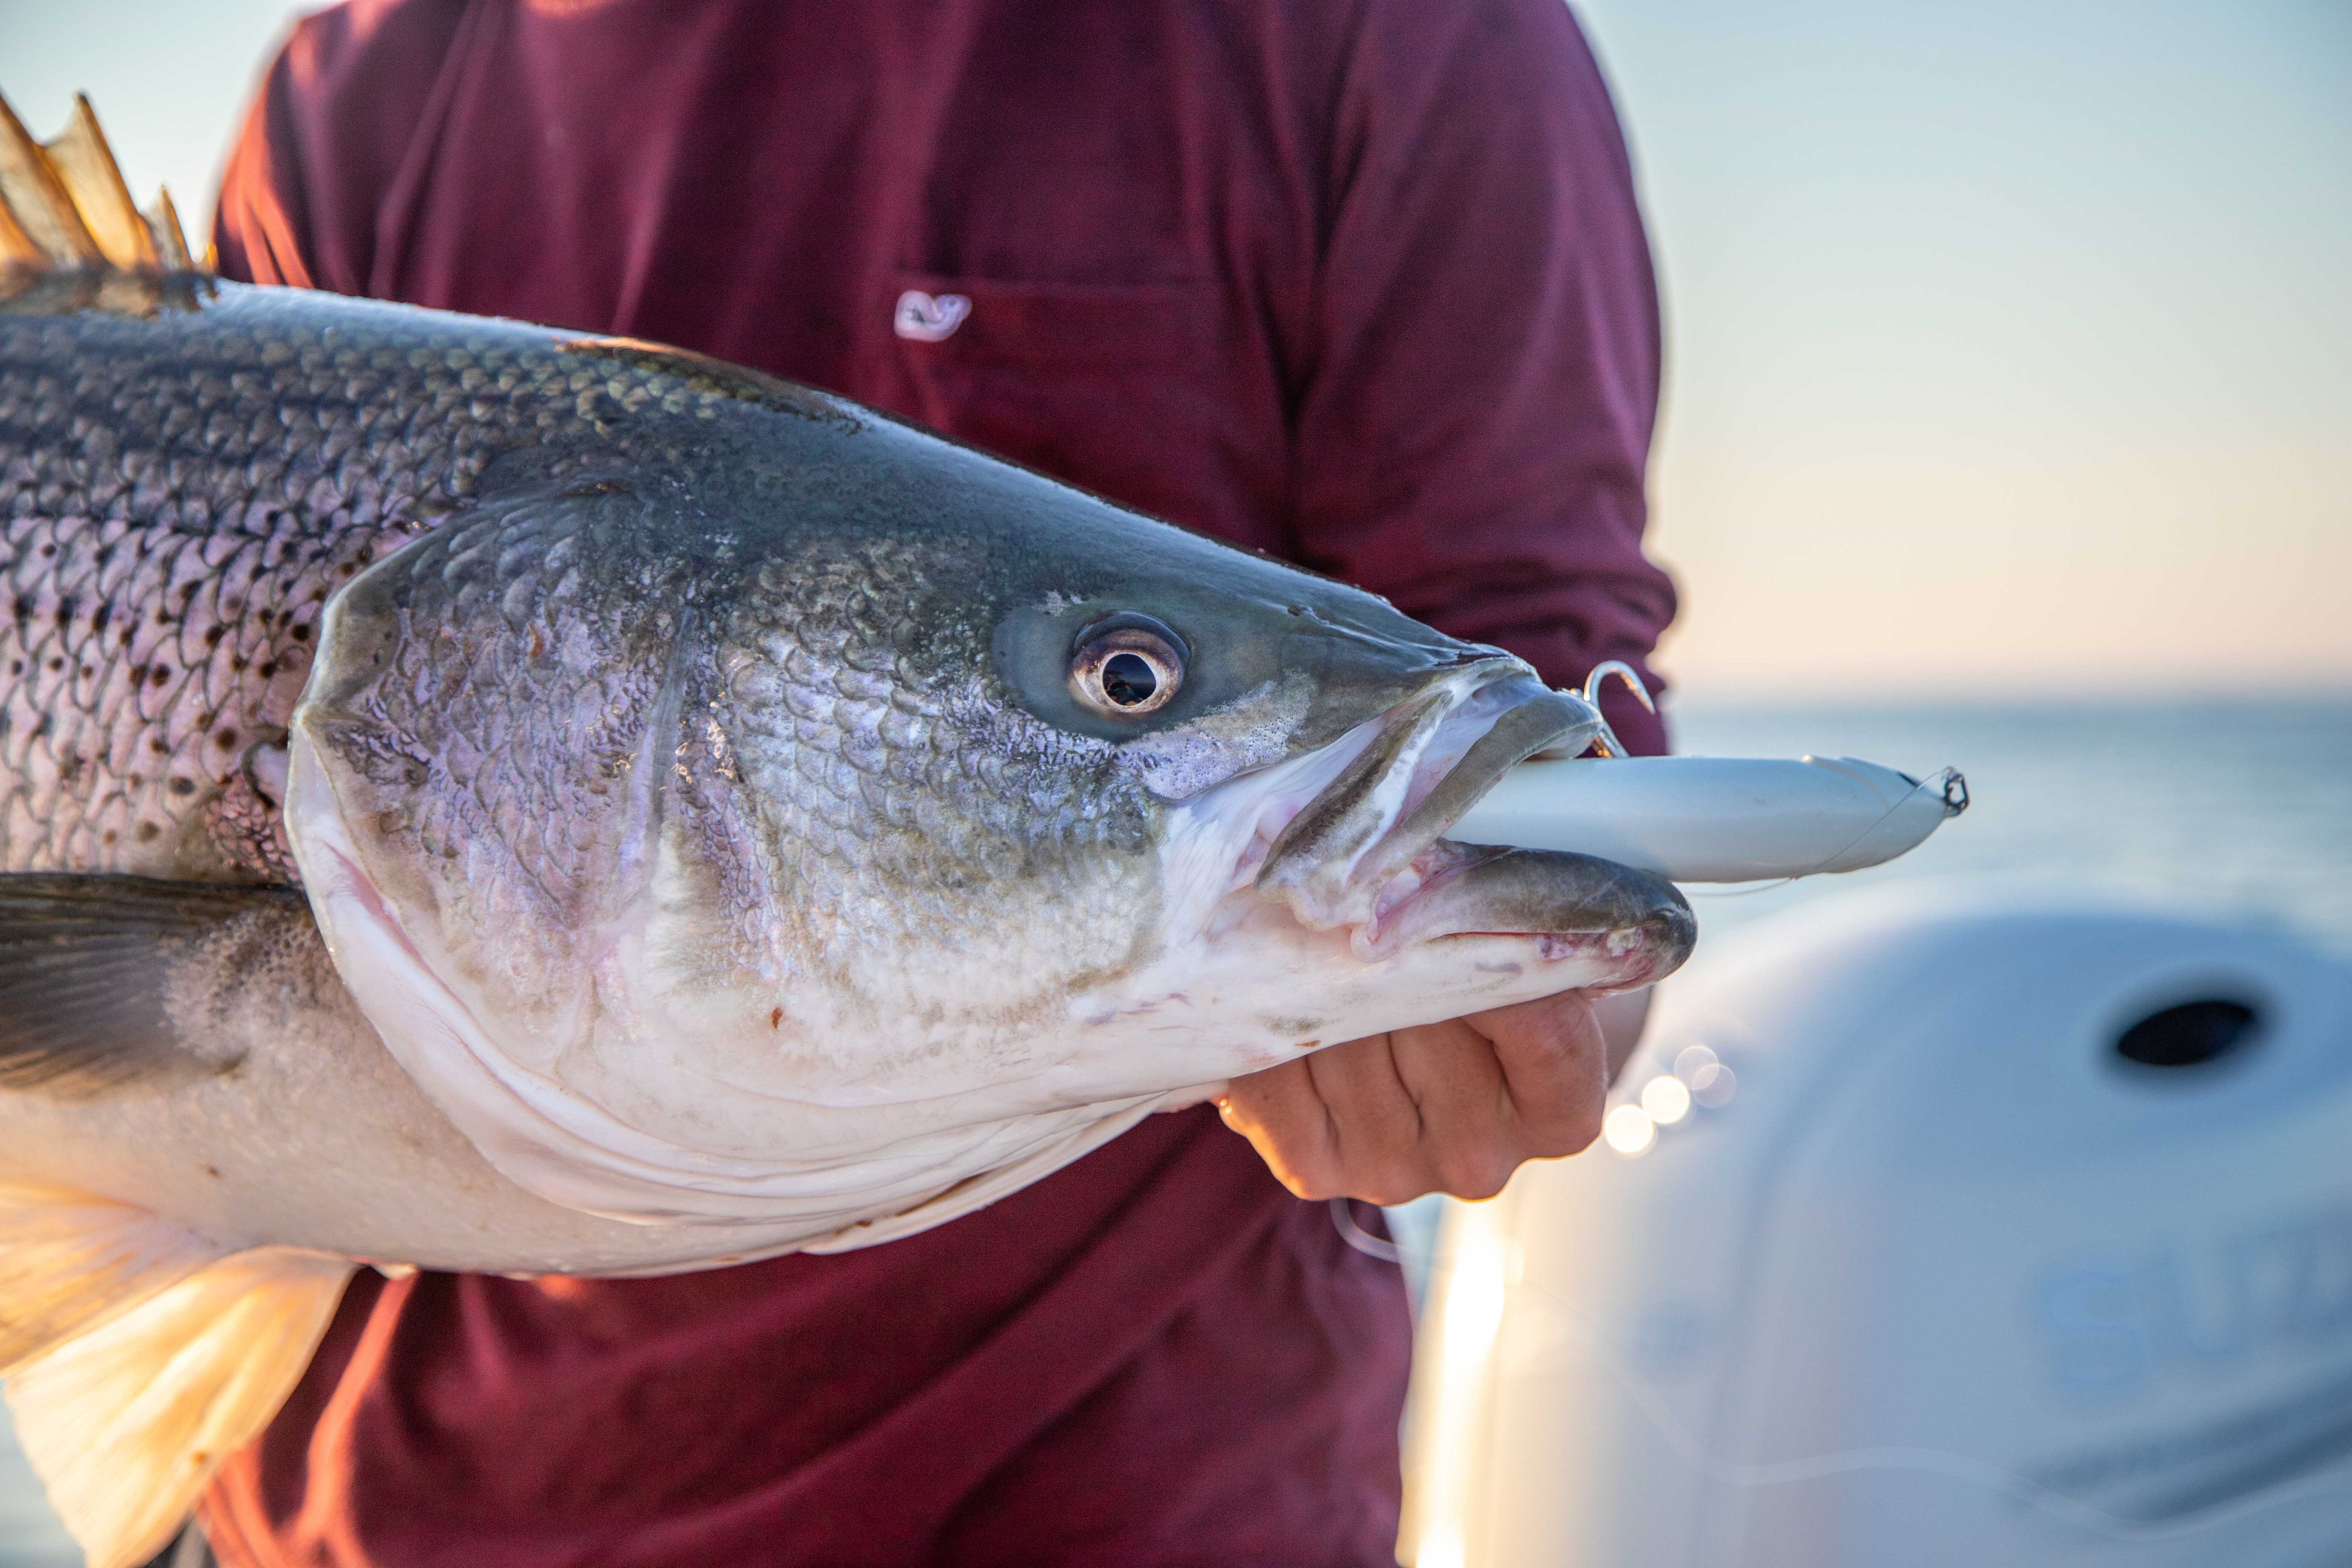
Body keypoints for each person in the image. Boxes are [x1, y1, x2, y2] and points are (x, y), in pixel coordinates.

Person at [187, 1, 1676, 1562]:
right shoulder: (362, 87)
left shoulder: (1378, 39)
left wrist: (1509, 1023)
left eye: (1121, 674)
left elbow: (1564, 800)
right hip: (369, 1516)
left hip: (1117, 1509)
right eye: (1121, 676)